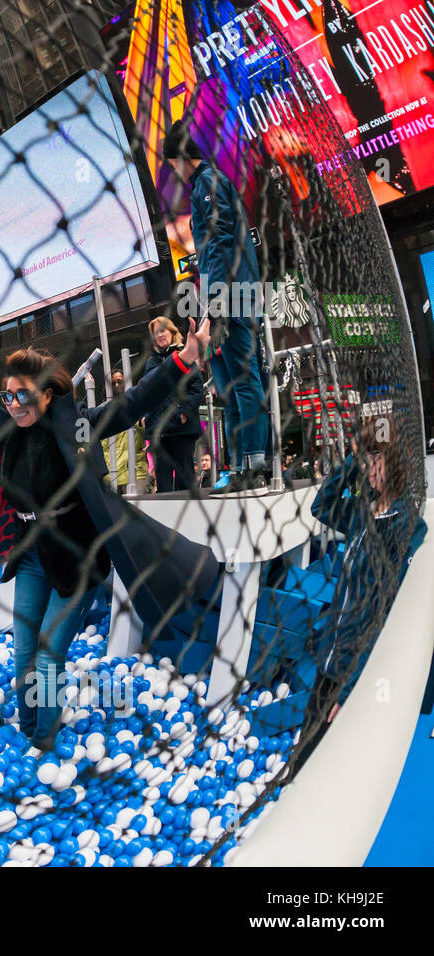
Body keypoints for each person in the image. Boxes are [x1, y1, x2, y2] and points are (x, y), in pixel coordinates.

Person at [0, 323, 220, 751]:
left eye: (23, 395)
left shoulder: (76, 428)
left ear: (48, 394)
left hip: (77, 558)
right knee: (24, 656)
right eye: (7, 397)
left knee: (49, 657)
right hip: (33, 555)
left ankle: (43, 744)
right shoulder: (6, 435)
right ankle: (29, 728)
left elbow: (129, 405)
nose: (14, 405)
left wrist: (183, 360)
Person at [292, 421, 426, 771]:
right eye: (366, 457)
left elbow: (387, 617)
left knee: (326, 769)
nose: (369, 467)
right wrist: (352, 459)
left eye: (376, 458)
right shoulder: (361, 508)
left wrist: (350, 690)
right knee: (300, 766)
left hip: (356, 673)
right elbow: (321, 505)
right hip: (330, 659)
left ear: (396, 460)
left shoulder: (406, 528)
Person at [165, 120, 270, 494]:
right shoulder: (204, 185)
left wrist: (219, 302)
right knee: (228, 384)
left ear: (179, 159)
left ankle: (256, 462)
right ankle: (242, 465)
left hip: (233, 294)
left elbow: (221, 242)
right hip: (219, 297)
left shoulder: (209, 182)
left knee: (243, 380)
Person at [143, 317, 205, 492]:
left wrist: (183, 413)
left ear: (172, 332)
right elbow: (145, 392)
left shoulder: (184, 354)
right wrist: (145, 417)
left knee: (184, 476)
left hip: (181, 426)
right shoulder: (151, 361)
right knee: (163, 480)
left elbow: (197, 388)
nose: (160, 335)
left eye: (163, 330)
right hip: (158, 429)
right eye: (156, 333)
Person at [100, 369, 151, 494]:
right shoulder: (100, 411)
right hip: (109, 475)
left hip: (135, 473)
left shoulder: (138, 405)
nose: (117, 385)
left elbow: (146, 426)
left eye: (120, 381)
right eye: (113, 383)